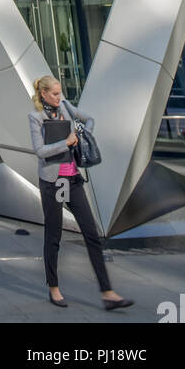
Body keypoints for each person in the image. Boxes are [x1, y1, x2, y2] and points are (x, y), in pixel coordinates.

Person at [29, 75, 133, 311]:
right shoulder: (36, 118)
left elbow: (90, 120)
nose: (59, 96)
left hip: (74, 180)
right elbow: (40, 151)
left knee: (92, 234)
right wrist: (65, 143)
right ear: (43, 95)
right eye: (54, 93)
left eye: (60, 92)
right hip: (54, 182)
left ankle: (108, 293)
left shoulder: (66, 106)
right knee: (54, 236)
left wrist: (83, 135)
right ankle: (53, 287)